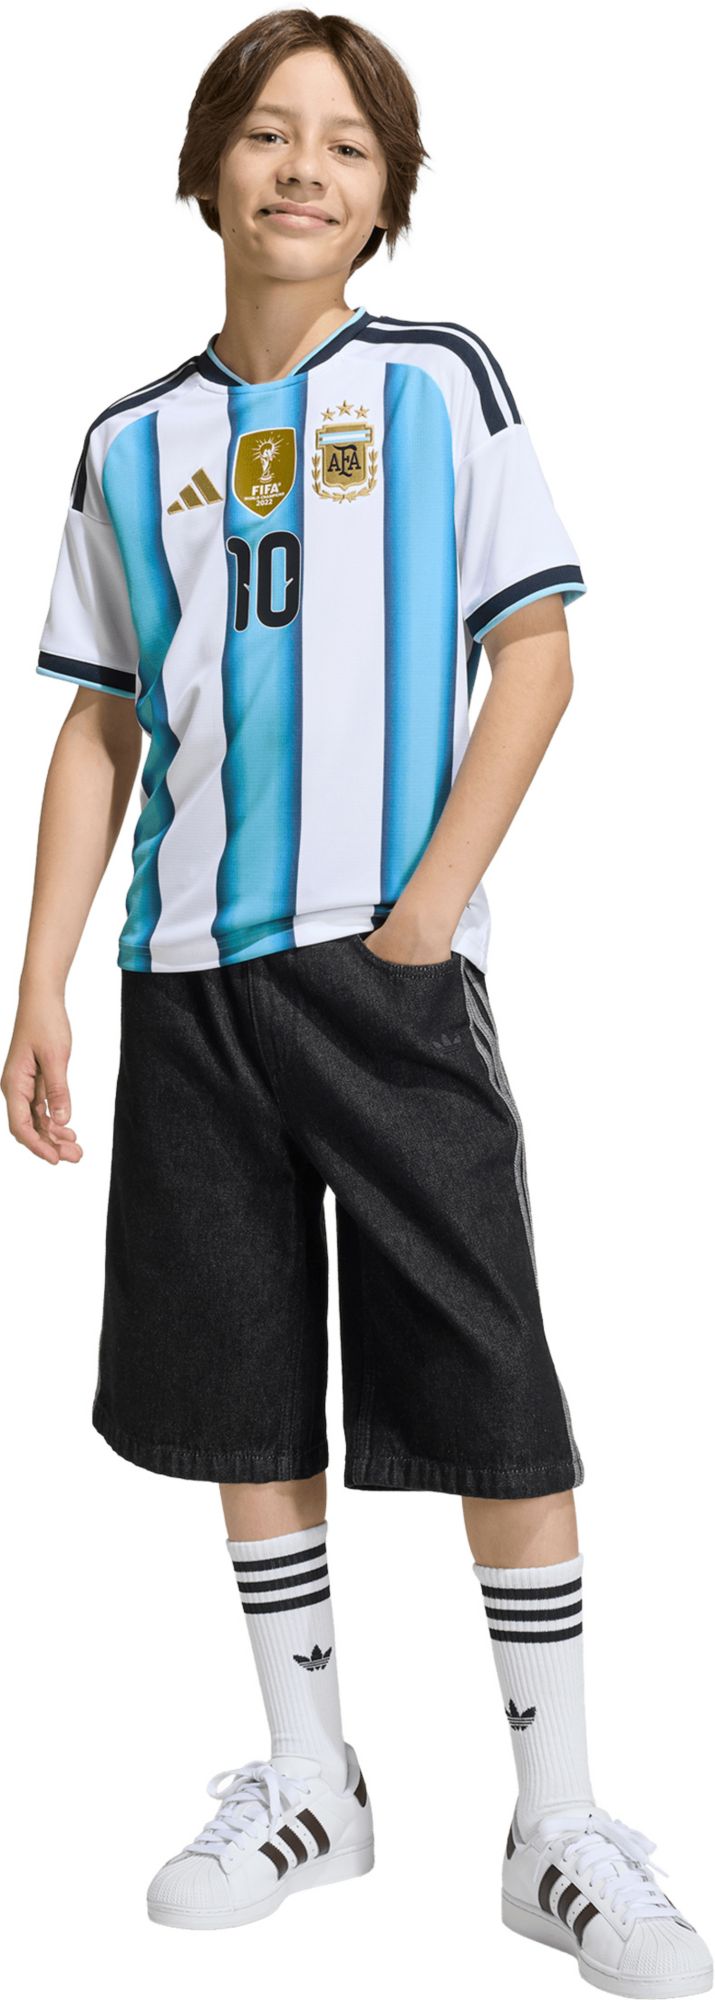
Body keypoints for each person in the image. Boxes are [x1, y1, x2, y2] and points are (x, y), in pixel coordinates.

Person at [3, 10, 711, 1990]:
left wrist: (429, 911)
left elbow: (538, 654)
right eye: (266, 131)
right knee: (241, 1375)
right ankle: (312, 1777)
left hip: (386, 973)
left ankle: (556, 1821)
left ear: (388, 192)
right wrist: (43, 977)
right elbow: (102, 723)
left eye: (344, 143)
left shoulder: (435, 382)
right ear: (206, 165)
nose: (301, 167)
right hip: (188, 981)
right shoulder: (126, 441)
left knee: (487, 1373)